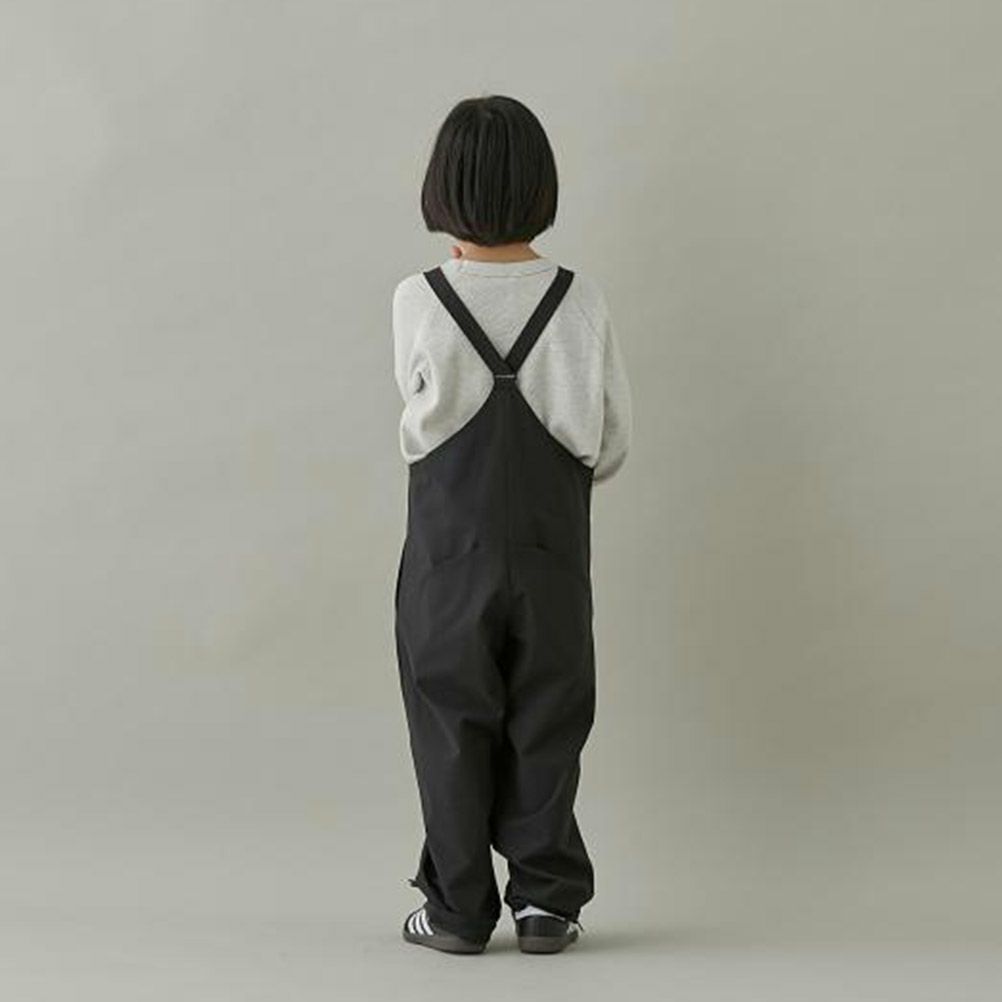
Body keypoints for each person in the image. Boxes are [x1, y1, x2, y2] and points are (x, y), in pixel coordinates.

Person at [391, 95, 632, 955]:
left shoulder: (419, 299)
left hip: (447, 554)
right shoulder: (579, 299)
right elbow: (611, 441)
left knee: (450, 718)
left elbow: (415, 420)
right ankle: (546, 904)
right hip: (551, 551)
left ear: (442, 189)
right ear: (540, 186)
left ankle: (458, 909)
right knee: (549, 714)